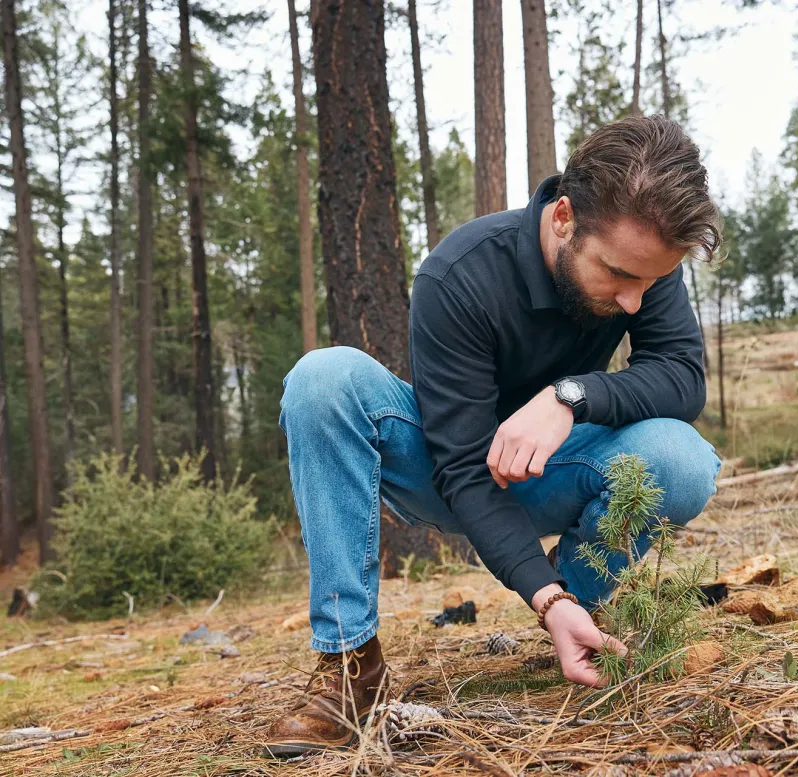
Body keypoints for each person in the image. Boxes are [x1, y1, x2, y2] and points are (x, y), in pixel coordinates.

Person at [263, 115, 723, 756]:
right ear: (564, 217)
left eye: (649, 282)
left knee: (681, 458)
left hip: (556, 471)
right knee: (324, 379)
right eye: (617, 275)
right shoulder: (459, 275)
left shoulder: (644, 260)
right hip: (446, 472)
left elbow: (681, 377)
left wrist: (572, 396)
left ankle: (581, 612)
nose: (632, 304)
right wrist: (538, 590)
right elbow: (460, 464)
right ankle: (350, 667)